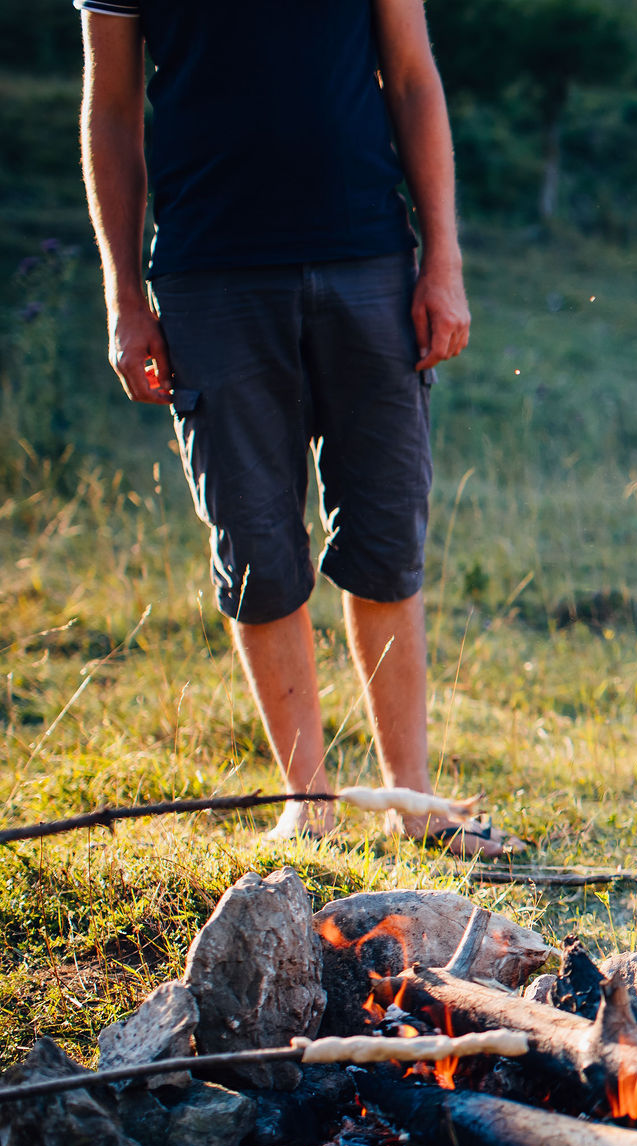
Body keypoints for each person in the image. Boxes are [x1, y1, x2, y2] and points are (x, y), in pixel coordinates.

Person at [79, 0, 519, 855]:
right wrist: (124, 296)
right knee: (256, 540)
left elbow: (414, 76)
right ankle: (306, 804)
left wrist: (445, 258)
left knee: (387, 530)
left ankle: (415, 802)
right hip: (211, 272)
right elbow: (111, 107)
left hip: (369, 257)